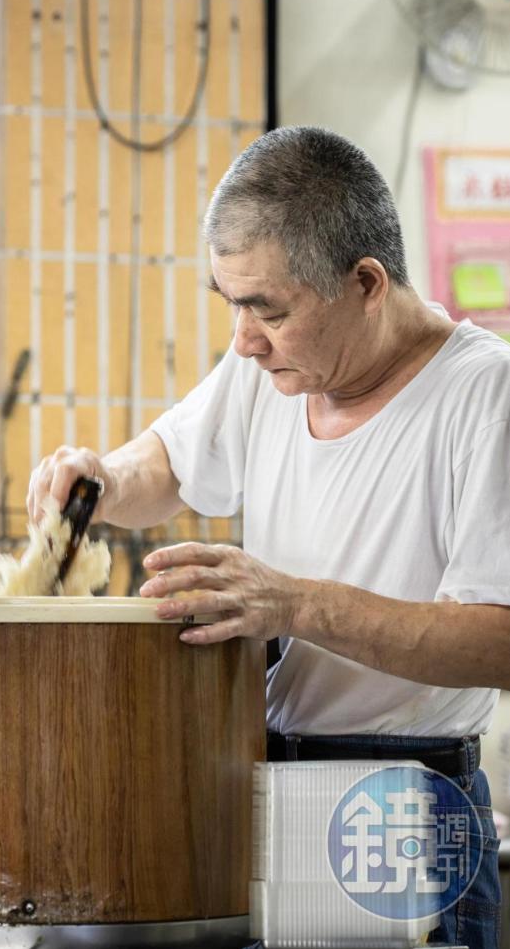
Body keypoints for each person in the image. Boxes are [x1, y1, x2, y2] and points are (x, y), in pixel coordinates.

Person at [27, 126, 508, 949]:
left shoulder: (482, 395)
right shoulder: (272, 372)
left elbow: (499, 641)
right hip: (265, 783)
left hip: (397, 805)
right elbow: (170, 465)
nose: (244, 339)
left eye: (268, 310)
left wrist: (291, 603)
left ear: (364, 282)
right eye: (230, 304)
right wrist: (100, 477)